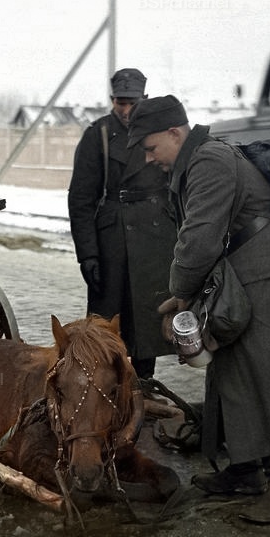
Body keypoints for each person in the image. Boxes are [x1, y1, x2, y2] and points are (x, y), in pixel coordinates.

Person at [128, 95, 270, 524]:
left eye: (151, 147)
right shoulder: (200, 158)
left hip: (264, 266)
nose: (149, 159)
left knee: (264, 370)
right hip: (248, 264)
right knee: (232, 369)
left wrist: (180, 294)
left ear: (175, 133)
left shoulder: (208, 161)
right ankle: (244, 470)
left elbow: (199, 238)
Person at [67, 68, 175, 380]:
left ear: (145, 98)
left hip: (154, 240)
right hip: (111, 243)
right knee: (105, 329)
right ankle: (102, 394)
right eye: (120, 103)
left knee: (147, 324)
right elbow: (81, 199)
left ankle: (144, 387)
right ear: (112, 100)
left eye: (133, 103)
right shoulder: (97, 134)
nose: (126, 111)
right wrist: (87, 254)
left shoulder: (158, 132)